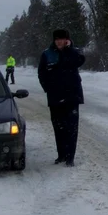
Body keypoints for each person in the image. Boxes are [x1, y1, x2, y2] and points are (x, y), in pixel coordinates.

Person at [38, 29, 85, 167]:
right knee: (59, 128)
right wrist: (48, 88)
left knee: (71, 128)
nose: (59, 41)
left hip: (72, 97)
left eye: (62, 39)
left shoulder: (73, 52)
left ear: (67, 40)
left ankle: (70, 158)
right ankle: (62, 155)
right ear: (54, 40)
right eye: (57, 39)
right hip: (55, 97)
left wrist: (69, 49)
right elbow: (41, 73)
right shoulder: (47, 54)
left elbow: (79, 61)